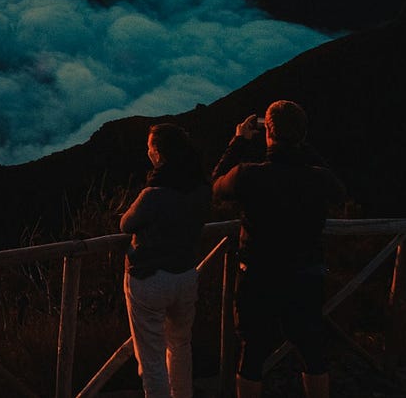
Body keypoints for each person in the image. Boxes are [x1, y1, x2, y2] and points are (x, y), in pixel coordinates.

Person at [212, 100, 346, 398]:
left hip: (257, 277)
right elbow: (339, 190)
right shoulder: (317, 177)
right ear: (302, 134)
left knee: (253, 354)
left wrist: (238, 142)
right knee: (313, 352)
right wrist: (302, 147)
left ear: (268, 133)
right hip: (306, 276)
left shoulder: (248, 174)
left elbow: (215, 185)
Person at [121, 122, 212, 398]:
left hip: (150, 280)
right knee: (181, 346)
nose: (147, 152)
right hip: (185, 276)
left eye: (150, 147)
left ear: (159, 153)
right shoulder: (200, 188)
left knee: (152, 361)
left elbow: (126, 224)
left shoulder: (153, 195)